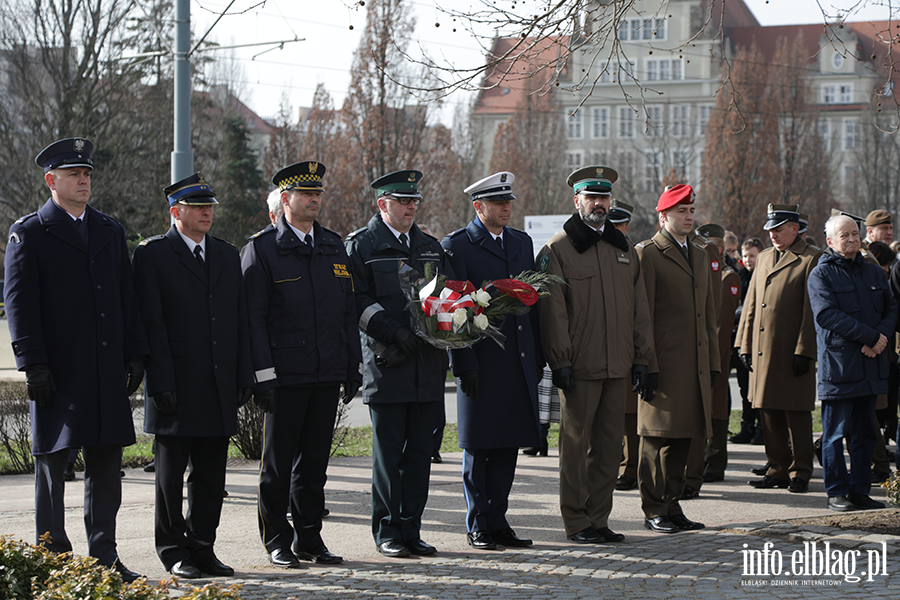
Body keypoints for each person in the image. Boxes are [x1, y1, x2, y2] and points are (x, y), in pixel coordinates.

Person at [4, 138, 148, 582]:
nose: (84, 181)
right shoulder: (29, 232)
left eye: (87, 175)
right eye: (74, 175)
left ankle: (104, 557)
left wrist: (135, 353)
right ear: (52, 181)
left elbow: (126, 297)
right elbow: (19, 304)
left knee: (106, 467)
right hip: (59, 372)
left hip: (105, 369)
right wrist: (33, 363)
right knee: (52, 466)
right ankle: (54, 562)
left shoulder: (109, 230)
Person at [132, 173, 253, 578]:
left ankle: (203, 546)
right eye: (198, 206)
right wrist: (160, 382)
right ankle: (173, 550)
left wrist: (243, 376)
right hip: (176, 384)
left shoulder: (225, 254)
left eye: (210, 206)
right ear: (175, 211)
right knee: (169, 478)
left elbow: (238, 321)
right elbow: (152, 324)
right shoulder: (153, 255)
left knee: (210, 474)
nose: (207, 212)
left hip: (218, 383)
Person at [241, 161, 362, 569]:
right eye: (306, 194)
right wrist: (263, 375)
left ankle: (310, 538)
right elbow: (253, 320)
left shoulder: (332, 245)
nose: (314, 200)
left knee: (314, 465)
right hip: (284, 376)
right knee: (277, 465)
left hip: (325, 372)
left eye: (318, 194)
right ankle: (277, 539)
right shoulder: (261, 249)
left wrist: (351, 365)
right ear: (285, 199)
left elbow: (346, 311)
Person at [538, 166, 653, 544]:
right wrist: (561, 361)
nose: (599, 204)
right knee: (575, 447)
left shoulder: (623, 250)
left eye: (604, 198)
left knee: (608, 448)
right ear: (577, 201)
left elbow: (639, 309)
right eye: (592, 197)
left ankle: (599, 518)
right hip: (580, 366)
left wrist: (642, 358)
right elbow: (553, 312)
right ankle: (576, 520)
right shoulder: (558, 249)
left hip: (618, 364)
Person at [345, 169, 453, 558]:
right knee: (389, 457)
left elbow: (447, 297)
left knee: (420, 455)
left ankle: (412, 529)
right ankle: (387, 530)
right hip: (387, 364)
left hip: (426, 366)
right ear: (382, 205)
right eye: (403, 201)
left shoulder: (429, 246)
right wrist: (392, 332)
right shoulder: (362, 246)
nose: (411, 207)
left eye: (414, 202)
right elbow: (355, 301)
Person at [441, 172, 542, 550]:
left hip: (516, 361)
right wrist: (463, 363)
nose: (506, 208)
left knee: (508, 446)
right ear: (477, 206)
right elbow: (452, 311)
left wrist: (538, 356)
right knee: (479, 448)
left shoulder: (520, 242)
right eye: (498, 202)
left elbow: (531, 302)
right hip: (481, 363)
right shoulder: (458, 246)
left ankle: (498, 520)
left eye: (509, 202)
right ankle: (477, 523)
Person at [634, 184, 718, 534]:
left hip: (694, 362)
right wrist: (646, 363)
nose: (688, 217)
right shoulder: (648, 253)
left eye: (691, 210)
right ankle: (654, 507)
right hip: (664, 362)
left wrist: (713, 362)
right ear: (663, 216)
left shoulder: (699, 252)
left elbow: (707, 314)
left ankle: (671, 504)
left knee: (684, 436)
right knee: (656, 438)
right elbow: (643, 315)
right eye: (681, 211)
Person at [808, 215, 895, 511]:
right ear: (830, 241)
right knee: (834, 435)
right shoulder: (821, 275)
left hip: (871, 366)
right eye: (844, 235)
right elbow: (827, 315)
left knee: (865, 433)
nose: (852, 239)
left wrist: (882, 336)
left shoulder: (873, 273)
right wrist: (871, 337)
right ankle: (836, 492)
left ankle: (859, 490)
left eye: (855, 234)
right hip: (841, 368)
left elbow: (891, 308)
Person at [737, 204, 820, 495]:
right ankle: (777, 469)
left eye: (778, 229)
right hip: (762, 349)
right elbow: (751, 304)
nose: (772, 234)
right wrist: (744, 344)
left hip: (791, 350)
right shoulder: (764, 258)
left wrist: (805, 350)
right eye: (770, 229)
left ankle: (801, 472)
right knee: (768, 410)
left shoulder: (811, 258)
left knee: (796, 413)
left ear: (794, 229)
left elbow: (813, 311)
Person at [693, 224, 741, 485]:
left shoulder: (726, 277)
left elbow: (722, 325)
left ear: (719, 250)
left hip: (715, 356)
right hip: (703, 353)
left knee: (716, 408)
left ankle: (714, 461)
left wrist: (712, 359)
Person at [730, 237, 765, 445]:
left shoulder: (764, 274)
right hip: (740, 336)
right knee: (744, 386)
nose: (748, 259)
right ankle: (747, 424)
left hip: (758, 338)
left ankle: (762, 427)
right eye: (745, 256)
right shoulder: (740, 276)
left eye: (752, 255)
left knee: (757, 385)